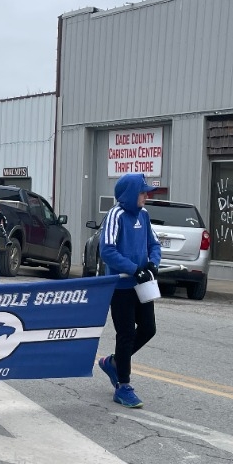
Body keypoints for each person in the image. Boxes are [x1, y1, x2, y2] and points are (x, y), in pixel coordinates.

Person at [97, 173, 162, 409]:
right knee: (125, 334)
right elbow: (107, 251)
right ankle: (123, 386)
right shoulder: (116, 215)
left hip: (142, 283)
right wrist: (134, 269)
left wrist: (153, 263)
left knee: (148, 328)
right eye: (143, 192)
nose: (146, 196)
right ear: (131, 194)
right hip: (121, 285)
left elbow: (154, 244)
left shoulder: (143, 215)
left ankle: (114, 362)